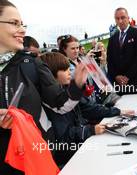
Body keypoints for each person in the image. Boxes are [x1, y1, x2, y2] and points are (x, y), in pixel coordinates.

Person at [0, 1, 88, 174]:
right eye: (14, 23)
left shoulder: (32, 64)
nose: (23, 30)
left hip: (31, 160)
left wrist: (76, 85)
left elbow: (60, 105)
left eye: (22, 24)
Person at [40, 52, 106, 165]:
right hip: (69, 158)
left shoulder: (67, 90)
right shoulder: (52, 102)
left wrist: (116, 111)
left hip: (80, 147)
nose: (69, 72)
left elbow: (87, 109)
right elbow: (62, 137)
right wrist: (89, 130)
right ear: (50, 74)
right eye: (65, 69)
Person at [107, 7, 137, 94]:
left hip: (136, 83)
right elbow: (109, 61)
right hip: (119, 86)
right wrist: (116, 76)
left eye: (123, 17)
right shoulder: (112, 39)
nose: (120, 21)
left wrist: (127, 77)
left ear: (128, 18)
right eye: (117, 18)